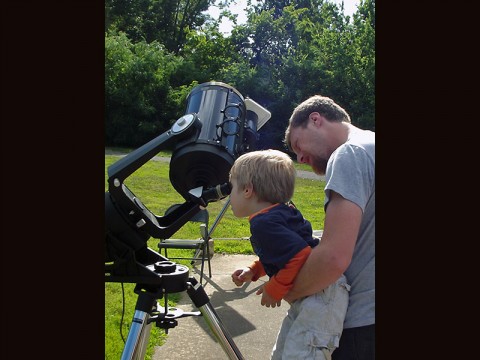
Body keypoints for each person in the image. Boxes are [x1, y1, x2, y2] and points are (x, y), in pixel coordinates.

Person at [229, 149, 350, 360]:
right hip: (317, 293)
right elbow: (282, 251)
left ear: (248, 190)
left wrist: (275, 288)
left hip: (321, 296)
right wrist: (255, 270)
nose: (229, 195)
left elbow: (298, 253)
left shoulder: (263, 223)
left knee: (301, 355)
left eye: (232, 188)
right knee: (284, 353)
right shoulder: (279, 211)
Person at [283, 95, 375, 359]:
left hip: (362, 326)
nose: (299, 158)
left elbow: (334, 258)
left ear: (315, 119)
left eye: (298, 144)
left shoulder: (350, 153)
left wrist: (290, 291)